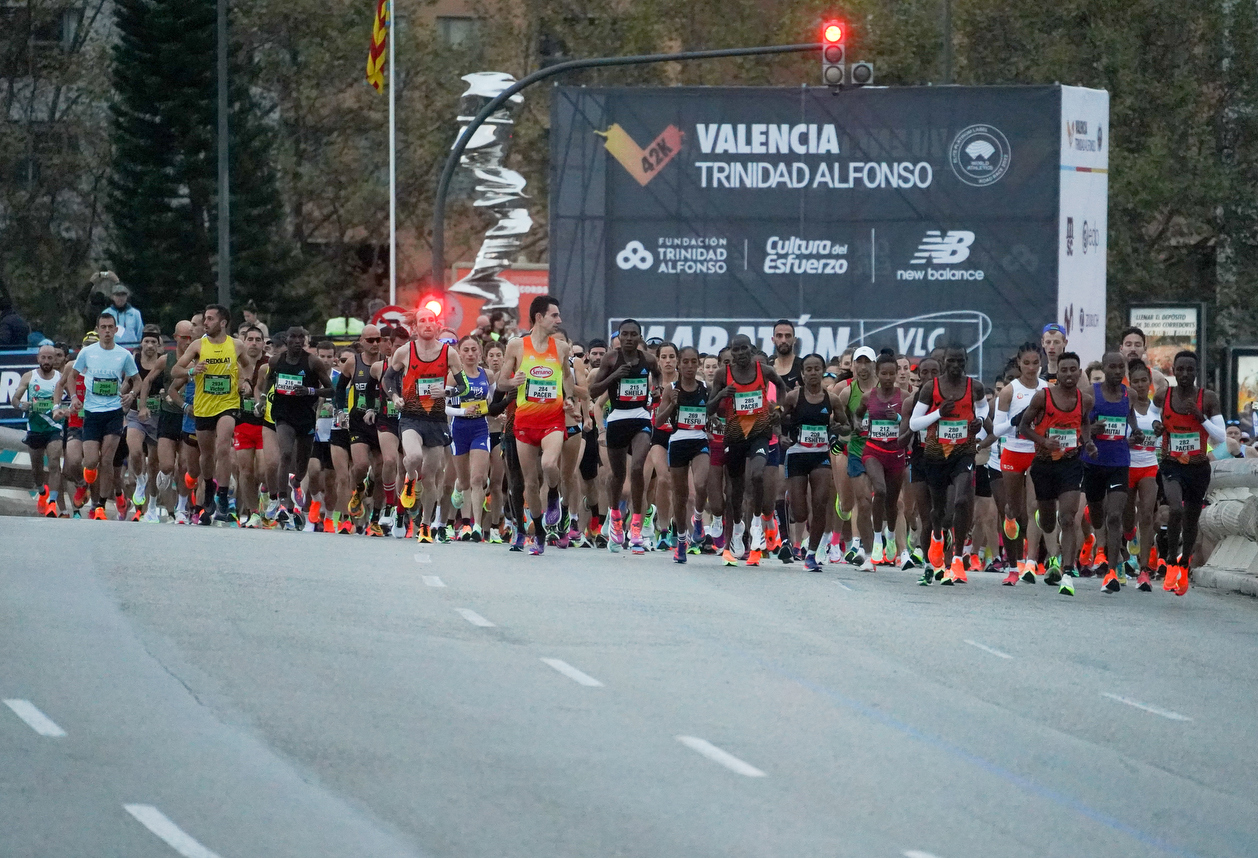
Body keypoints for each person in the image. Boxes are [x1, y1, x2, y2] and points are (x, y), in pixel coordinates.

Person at [498, 297, 576, 555]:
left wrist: (570, 399)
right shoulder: (517, 345)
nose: (559, 320)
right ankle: (539, 532)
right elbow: (500, 383)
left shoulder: (562, 347)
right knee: (530, 483)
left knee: (550, 465)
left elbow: (566, 375)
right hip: (524, 422)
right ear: (539, 317)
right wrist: (513, 381)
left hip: (552, 420)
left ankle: (553, 493)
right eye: (554, 315)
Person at [909, 344, 987, 585]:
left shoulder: (975, 387)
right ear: (944, 363)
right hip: (934, 454)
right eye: (951, 361)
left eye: (960, 362)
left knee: (962, 500)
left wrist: (980, 422)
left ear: (966, 362)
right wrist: (938, 413)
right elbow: (914, 424)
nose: (956, 366)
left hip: (963, 451)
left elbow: (984, 412)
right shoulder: (931, 388)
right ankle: (937, 537)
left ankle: (956, 559)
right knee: (938, 511)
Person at [1018, 352, 1094, 594]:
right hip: (1043, 464)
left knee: (1069, 518)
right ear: (1056, 373)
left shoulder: (1085, 399)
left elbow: (1083, 423)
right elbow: (1023, 426)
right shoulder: (1043, 397)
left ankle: (1068, 571)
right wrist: (1043, 440)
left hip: (1070, 464)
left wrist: (1088, 442)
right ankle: (1044, 519)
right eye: (1064, 370)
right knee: (1049, 522)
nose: (1069, 374)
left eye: (1073, 370)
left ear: (1079, 372)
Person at [172, 304, 255, 525]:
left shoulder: (236, 345)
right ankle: (209, 486)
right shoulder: (199, 345)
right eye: (205, 319)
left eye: (209, 319)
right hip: (204, 407)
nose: (205, 323)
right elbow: (175, 371)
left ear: (223, 323)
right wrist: (192, 370)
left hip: (227, 404)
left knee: (223, 446)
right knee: (206, 455)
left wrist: (245, 382)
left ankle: (223, 495)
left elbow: (248, 366)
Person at [708, 333, 786, 566]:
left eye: (744, 349)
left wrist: (779, 410)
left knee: (758, 475)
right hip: (734, 436)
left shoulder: (764, 371)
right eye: (736, 350)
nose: (740, 353)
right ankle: (739, 524)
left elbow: (782, 388)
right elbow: (709, 407)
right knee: (735, 490)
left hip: (760, 433)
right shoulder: (723, 374)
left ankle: (755, 523)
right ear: (731, 352)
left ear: (751, 350)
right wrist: (721, 395)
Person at [1153, 351, 1226, 595]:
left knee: (1192, 519)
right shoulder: (1164, 395)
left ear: (1196, 372)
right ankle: (1171, 560)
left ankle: (1184, 565)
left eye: (1190, 370)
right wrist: (1156, 425)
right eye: (1180, 369)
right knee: (1175, 509)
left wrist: (1200, 417)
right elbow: (1154, 416)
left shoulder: (1208, 398)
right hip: (1172, 463)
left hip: (1198, 466)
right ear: (1173, 370)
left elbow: (1221, 437)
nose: (1185, 374)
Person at [56, 313, 141, 519]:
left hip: (113, 412)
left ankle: (100, 505)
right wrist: (74, 397)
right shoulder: (87, 352)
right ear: (98, 328)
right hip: (92, 413)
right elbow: (72, 377)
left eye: (110, 327)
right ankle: (86, 485)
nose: (107, 331)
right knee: (91, 461)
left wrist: (130, 395)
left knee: (108, 461)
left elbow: (138, 381)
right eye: (103, 327)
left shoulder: (124, 355)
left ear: (115, 329)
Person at [383, 306, 455, 543]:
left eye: (431, 320)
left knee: (432, 475)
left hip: (436, 419)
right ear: (415, 328)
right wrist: (394, 396)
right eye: (422, 321)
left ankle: (425, 525)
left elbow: (462, 385)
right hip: (411, 416)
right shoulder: (405, 351)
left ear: (437, 326)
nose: (426, 324)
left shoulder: (448, 353)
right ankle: (410, 479)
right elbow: (388, 378)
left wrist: (446, 390)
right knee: (413, 457)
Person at [589, 318, 661, 554]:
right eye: (624, 334)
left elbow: (657, 373)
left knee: (638, 467)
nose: (629, 338)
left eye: (633, 334)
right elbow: (593, 391)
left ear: (640, 337)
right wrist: (614, 376)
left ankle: (637, 526)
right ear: (619, 337)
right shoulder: (611, 359)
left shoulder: (647, 359)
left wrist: (656, 389)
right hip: (618, 417)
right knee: (617, 476)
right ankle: (616, 518)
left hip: (640, 417)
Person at [261, 326, 332, 528]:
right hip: (283, 415)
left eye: (302, 337)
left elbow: (331, 390)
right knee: (285, 454)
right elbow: (269, 380)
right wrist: (264, 399)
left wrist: (309, 390)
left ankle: (296, 482)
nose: (298, 341)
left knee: (302, 464)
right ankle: (283, 503)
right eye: (294, 337)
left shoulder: (312, 362)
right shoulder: (276, 360)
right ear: (287, 339)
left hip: (306, 417)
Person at [1082, 351, 1141, 593]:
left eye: (1121, 367)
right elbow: (1081, 423)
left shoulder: (1130, 395)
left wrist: (1136, 432)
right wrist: (1091, 432)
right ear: (1104, 368)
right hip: (1093, 462)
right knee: (1098, 516)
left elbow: (1131, 418)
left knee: (1114, 516)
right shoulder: (1091, 394)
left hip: (1119, 462)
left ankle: (1112, 571)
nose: (1117, 371)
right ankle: (1098, 540)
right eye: (1112, 367)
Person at [991, 343, 1050, 584]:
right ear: (1019, 363)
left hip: (1037, 453)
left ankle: (1031, 562)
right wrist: (1014, 421)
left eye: (1035, 363)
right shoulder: (1009, 391)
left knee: (1034, 506)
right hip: (1013, 452)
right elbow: (996, 429)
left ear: (1041, 364)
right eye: (1026, 363)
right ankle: (1013, 566)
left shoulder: (1047, 389)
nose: (1031, 368)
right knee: (1012, 510)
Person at [853, 353, 911, 570]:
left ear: (897, 374)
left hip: (896, 453)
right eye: (884, 373)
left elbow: (909, 423)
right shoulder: (869, 397)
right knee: (880, 490)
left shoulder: (904, 397)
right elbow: (858, 415)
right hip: (873, 450)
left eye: (891, 374)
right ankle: (877, 539)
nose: (888, 377)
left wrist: (896, 419)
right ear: (877, 374)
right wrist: (859, 424)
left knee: (892, 502)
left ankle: (891, 534)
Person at [655, 345, 710, 562]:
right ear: (679, 363)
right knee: (679, 496)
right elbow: (659, 421)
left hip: (699, 441)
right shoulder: (670, 389)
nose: (688, 366)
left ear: (698, 364)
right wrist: (672, 406)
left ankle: (697, 520)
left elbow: (715, 411)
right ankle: (680, 540)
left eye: (693, 361)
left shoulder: (706, 388)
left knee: (701, 485)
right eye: (685, 362)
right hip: (677, 442)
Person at [780, 354, 835, 570]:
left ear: (822, 371)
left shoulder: (832, 399)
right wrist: (781, 435)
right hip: (796, 454)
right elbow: (778, 419)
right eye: (809, 369)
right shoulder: (794, 397)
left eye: (817, 369)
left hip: (821, 455)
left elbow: (845, 424)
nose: (813, 373)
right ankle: (790, 500)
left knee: (820, 502)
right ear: (803, 373)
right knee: (800, 512)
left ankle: (811, 554)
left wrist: (840, 430)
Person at [448, 335, 493, 541]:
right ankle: (458, 488)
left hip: (480, 429)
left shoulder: (487, 375)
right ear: (459, 353)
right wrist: (462, 412)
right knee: (465, 482)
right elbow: (444, 407)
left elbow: (491, 400)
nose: (470, 354)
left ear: (480, 353)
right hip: (459, 429)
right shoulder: (453, 377)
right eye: (466, 350)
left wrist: (494, 411)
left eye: (474, 350)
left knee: (478, 479)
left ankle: (476, 526)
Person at [1124, 360, 1160, 591]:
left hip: (1149, 465)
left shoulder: (1157, 408)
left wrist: (1162, 430)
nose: (1139, 385)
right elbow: (1116, 436)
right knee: (1128, 516)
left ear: (1150, 382)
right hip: (1127, 465)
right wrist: (1128, 441)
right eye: (1135, 381)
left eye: (1143, 381)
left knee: (1147, 514)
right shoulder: (1124, 407)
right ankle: (1129, 534)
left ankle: (1144, 570)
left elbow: (1168, 430)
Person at [15, 343, 63, 516]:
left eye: (50, 357)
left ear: (55, 359)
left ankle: (52, 502)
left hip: (54, 427)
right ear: (38, 358)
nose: (47, 361)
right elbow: (15, 399)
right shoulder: (29, 376)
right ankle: (42, 492)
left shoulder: (60, 378)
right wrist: (21, 405)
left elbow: (69, 400)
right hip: (35, 427)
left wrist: (63, 410)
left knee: (54, 463)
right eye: (43, 357)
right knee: (37, 469)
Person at [101, 282, 144, 347]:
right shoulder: (106, 313)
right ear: (112, 297)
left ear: (127, 296)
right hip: (113, 349)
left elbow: (140, 333)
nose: (120, 298)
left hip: (132, 349)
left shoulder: (135, 313)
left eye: (123, 295)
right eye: (117, 295)